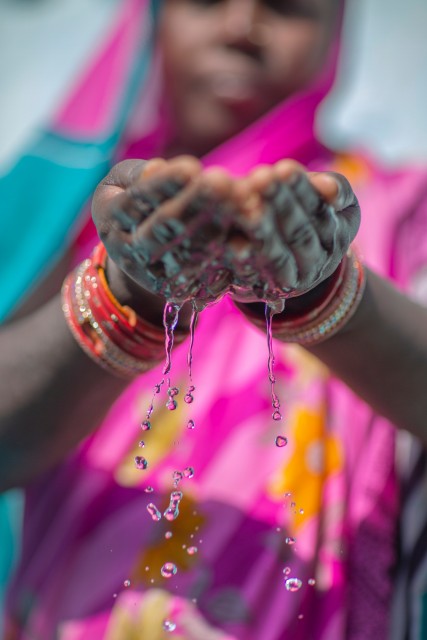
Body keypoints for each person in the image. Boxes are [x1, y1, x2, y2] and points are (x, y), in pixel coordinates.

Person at [1, 0, 427, 638]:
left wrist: (327, 297)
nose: (241, 28)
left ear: (337, 34)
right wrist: (124, 294)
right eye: (204, 0)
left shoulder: (400, 211)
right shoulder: (62, 224)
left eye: (286, 7)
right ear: (150, 19)